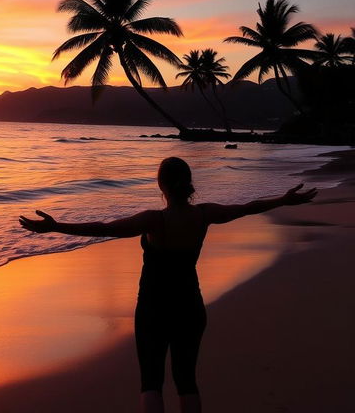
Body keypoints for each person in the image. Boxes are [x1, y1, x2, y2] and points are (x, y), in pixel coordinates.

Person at [18, 156, 317, 413]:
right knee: (186, 379)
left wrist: (56, 227)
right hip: (190, 305)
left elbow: (103, 229)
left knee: (151, 381)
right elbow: (248, 207)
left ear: (161, 186)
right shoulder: (204, 215)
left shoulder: (153, 221)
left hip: (153, 308)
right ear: (188, 183)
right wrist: (283, 199)